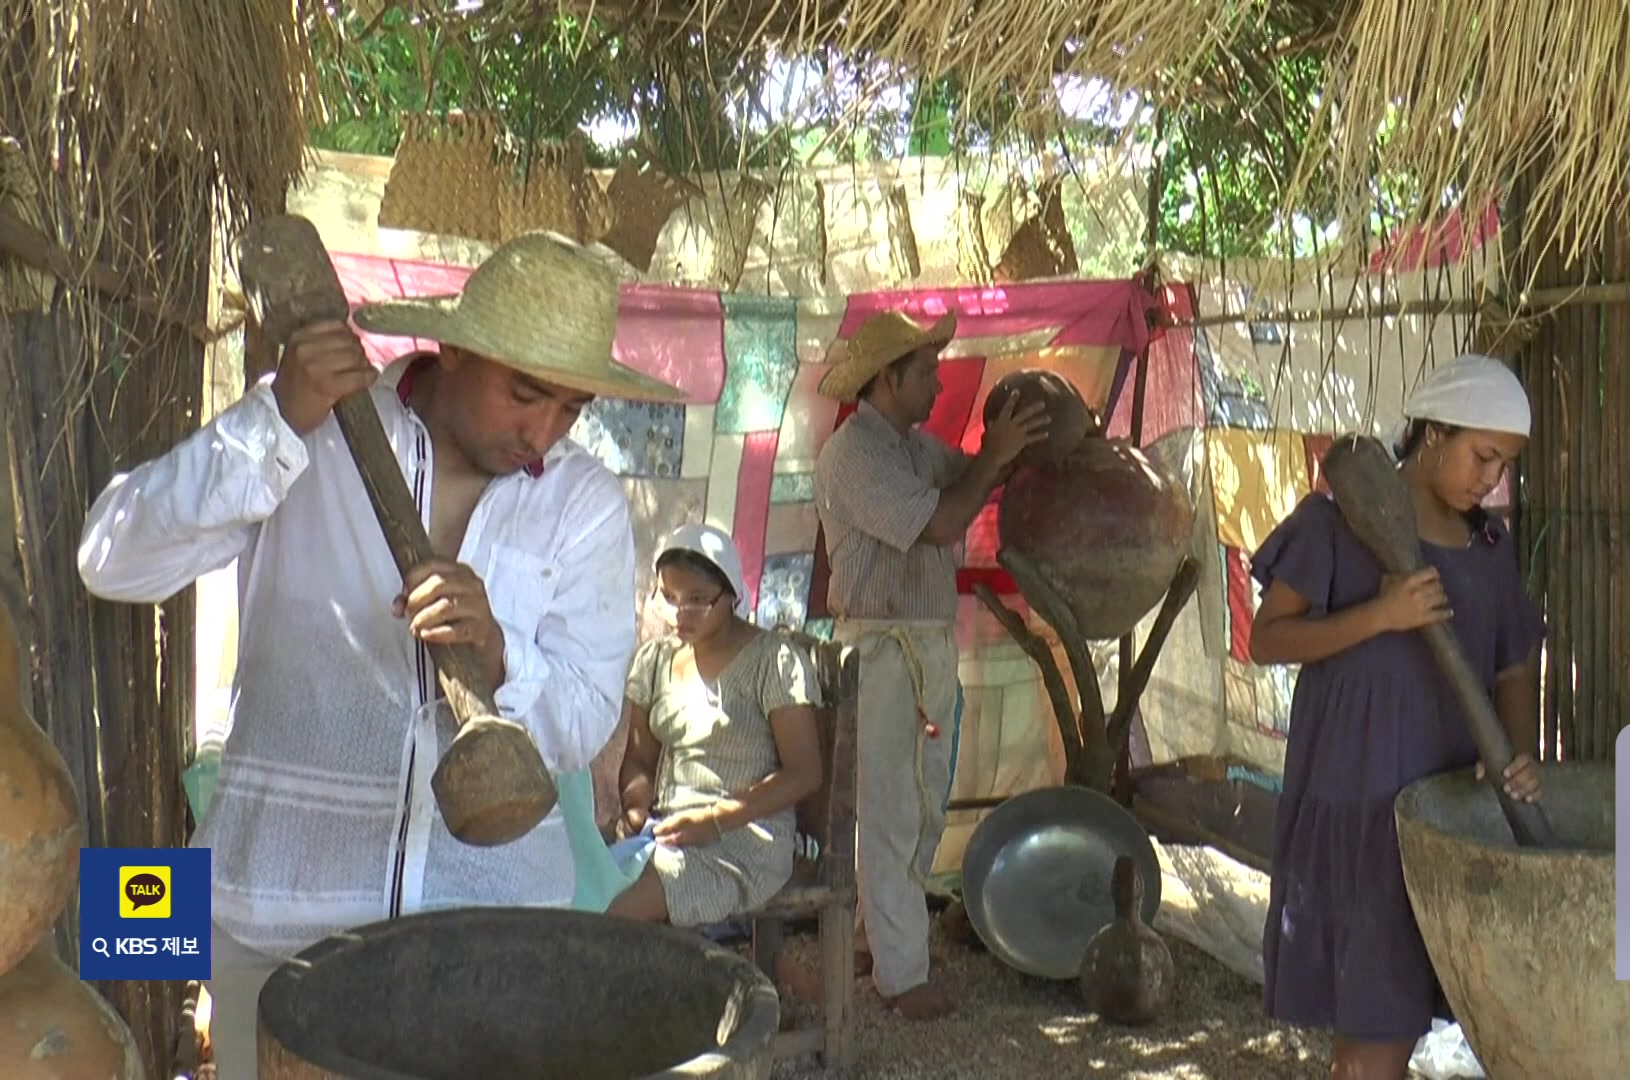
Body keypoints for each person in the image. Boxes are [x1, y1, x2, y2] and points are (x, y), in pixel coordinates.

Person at [76, 231, 678, 1079]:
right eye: (526, 393)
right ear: (456, 349)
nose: (541, 431)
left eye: (572, 407)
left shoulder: (585, 505)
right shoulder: (306, 436)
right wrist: (273, 421)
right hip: (282, 917)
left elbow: (582, 723)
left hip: (490, 938)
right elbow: (111, 558)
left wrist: (502, 654)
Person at [1248, 354, 1548, 1080]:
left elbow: (1513, 662)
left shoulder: (1487, 545)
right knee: (1372, 1032)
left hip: (1447, 808)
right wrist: (1380, 615)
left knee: (1403, 1016)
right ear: (1434, 433)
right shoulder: (1334, 523)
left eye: (1503, 465)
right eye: (1482, 456)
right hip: (1358, 797)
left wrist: (1517, 748)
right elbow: (1267, 638)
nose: (1490, 480)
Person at [812, 308, 1048, 1020]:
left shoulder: (912, 449)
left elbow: (976, 479)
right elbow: (946, 522)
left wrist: (1021, 448)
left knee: (913, 805)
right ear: (887, 379)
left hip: (918, 649)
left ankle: (869, 944)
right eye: (926, 372)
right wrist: (993, 455)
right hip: (882, 654)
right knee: (889, 811)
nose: (940, 384)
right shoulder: (855, 454)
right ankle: (902, 978)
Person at [600, 523, 824, 925]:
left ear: (732, 596)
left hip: (745, 838)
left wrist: (716, 820)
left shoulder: (773, 661)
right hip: (669, 829)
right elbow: (638, 757)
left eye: (698, 601)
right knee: (581, 883)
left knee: (617, 912)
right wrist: (634, 810)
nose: (679, 614)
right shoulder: (655, 660)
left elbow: (805, 772)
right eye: (668, 598)